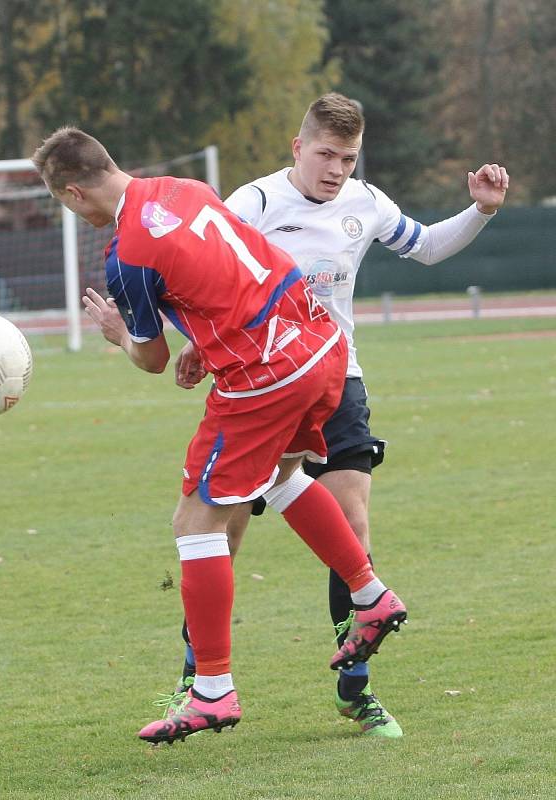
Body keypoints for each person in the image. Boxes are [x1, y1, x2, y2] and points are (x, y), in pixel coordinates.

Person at [32, 126, 409, 745]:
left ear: (74, 192)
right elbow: (237, 274)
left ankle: (211, 689)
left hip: (264, 373)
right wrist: (207, 347)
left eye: (65, 203)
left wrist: (116, 334)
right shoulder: (186, 188)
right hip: (319, 343)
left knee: (195, 523)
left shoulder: (125, 255)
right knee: (284, 476)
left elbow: (150, 360)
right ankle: (370, 596)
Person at [170, 93, 509, 738]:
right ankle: (198, 676)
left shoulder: (368, 202)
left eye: (348, 159)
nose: (336, 170)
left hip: (336, 378)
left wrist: (481, 212)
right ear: (298, 148)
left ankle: (356, 687)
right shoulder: (254, 205)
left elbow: (429, 247)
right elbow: (200, 272)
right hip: (257, 386)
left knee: (352, 528)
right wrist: (193, 342)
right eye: (326, 154)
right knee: (225, 532)